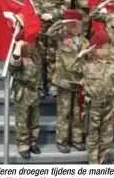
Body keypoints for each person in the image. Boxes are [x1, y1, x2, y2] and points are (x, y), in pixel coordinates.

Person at [27, 0, 71, 97]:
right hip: (37, 24)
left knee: (53, 55)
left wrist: (53, 14)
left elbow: (67, 5)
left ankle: (53, 85)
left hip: (54, 25)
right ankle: (38, 86)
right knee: (37, 55)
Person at [48, 9, 89, 154]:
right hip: (64, 82)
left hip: (79, 83)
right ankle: (62, 141)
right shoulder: (61, 37)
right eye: (72, 24)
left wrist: (86, 77)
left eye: (78, 24)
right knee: (64, 113)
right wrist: (62, 21)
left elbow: (88, 61)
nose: (76, 28)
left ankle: (77, 139)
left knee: (78, 113)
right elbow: (50, 33)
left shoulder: (85, 41)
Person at [82, 30, 114, 164]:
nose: (106, 50)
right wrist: (84, 53)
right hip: (93, 107)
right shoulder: (87, 65)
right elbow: (71, 68)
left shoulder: (113, 66)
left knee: (107, 137)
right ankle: (94, 164)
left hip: (108, 106)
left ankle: (103, 161)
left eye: (108, 47)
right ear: (95, 49)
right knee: (93, 137)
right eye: (103, 47)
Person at [9, 30, 42, 160]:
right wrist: (18, 45)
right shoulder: (18, 55)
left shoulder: (35, 55)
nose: (33, 43)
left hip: (35, 91)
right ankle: (23, 145)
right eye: (31, 41)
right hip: (23, 92)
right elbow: (13, 65)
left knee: (34, 119)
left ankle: (32, 142)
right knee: (22, 120)